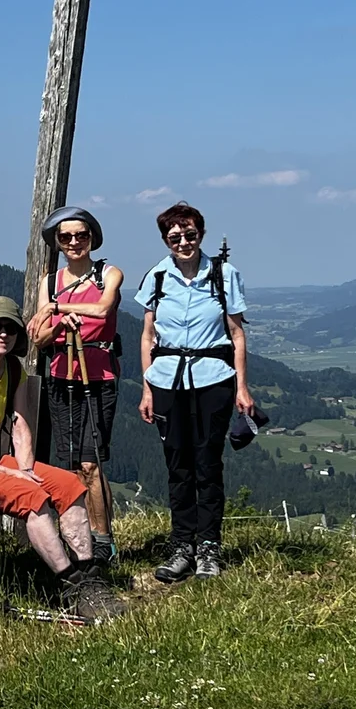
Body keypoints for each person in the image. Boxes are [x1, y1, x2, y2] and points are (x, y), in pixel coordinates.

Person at [0, 296, 123, 622]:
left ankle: (89, 576)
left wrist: (25, 469)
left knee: (69, 485)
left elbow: (20, 426)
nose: (3, 333)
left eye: (11, 328)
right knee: (29, 495)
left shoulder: (13, 370)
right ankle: (70, 586)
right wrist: (13, 476)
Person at [137, 201, 253, 583]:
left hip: (213, 379)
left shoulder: (224, 274)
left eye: (190, 234)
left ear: (200, 234)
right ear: (165, 240)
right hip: (167, 381)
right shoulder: (156, 277)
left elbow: (236, 333)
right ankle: (181, 546)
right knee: (177, 466)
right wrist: (147, 388)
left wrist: (242, 387)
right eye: (175, 236)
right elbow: (148, 336)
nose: (183, 242)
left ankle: (208, 548)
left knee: (207, 464)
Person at [28, 205, 123, 566]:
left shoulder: (108, 273)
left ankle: (102, 540)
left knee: (91, 461)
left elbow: (102, 310)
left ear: (92, 238)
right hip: (62, 374)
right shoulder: (49, 280)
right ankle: (81, 537)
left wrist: (57, 308)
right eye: (66, 237)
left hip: (98, 376)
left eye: (81, 236)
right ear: (58, 242)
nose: (74, 242)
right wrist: (56, 323)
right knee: (72, 465)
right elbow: (38, 337)